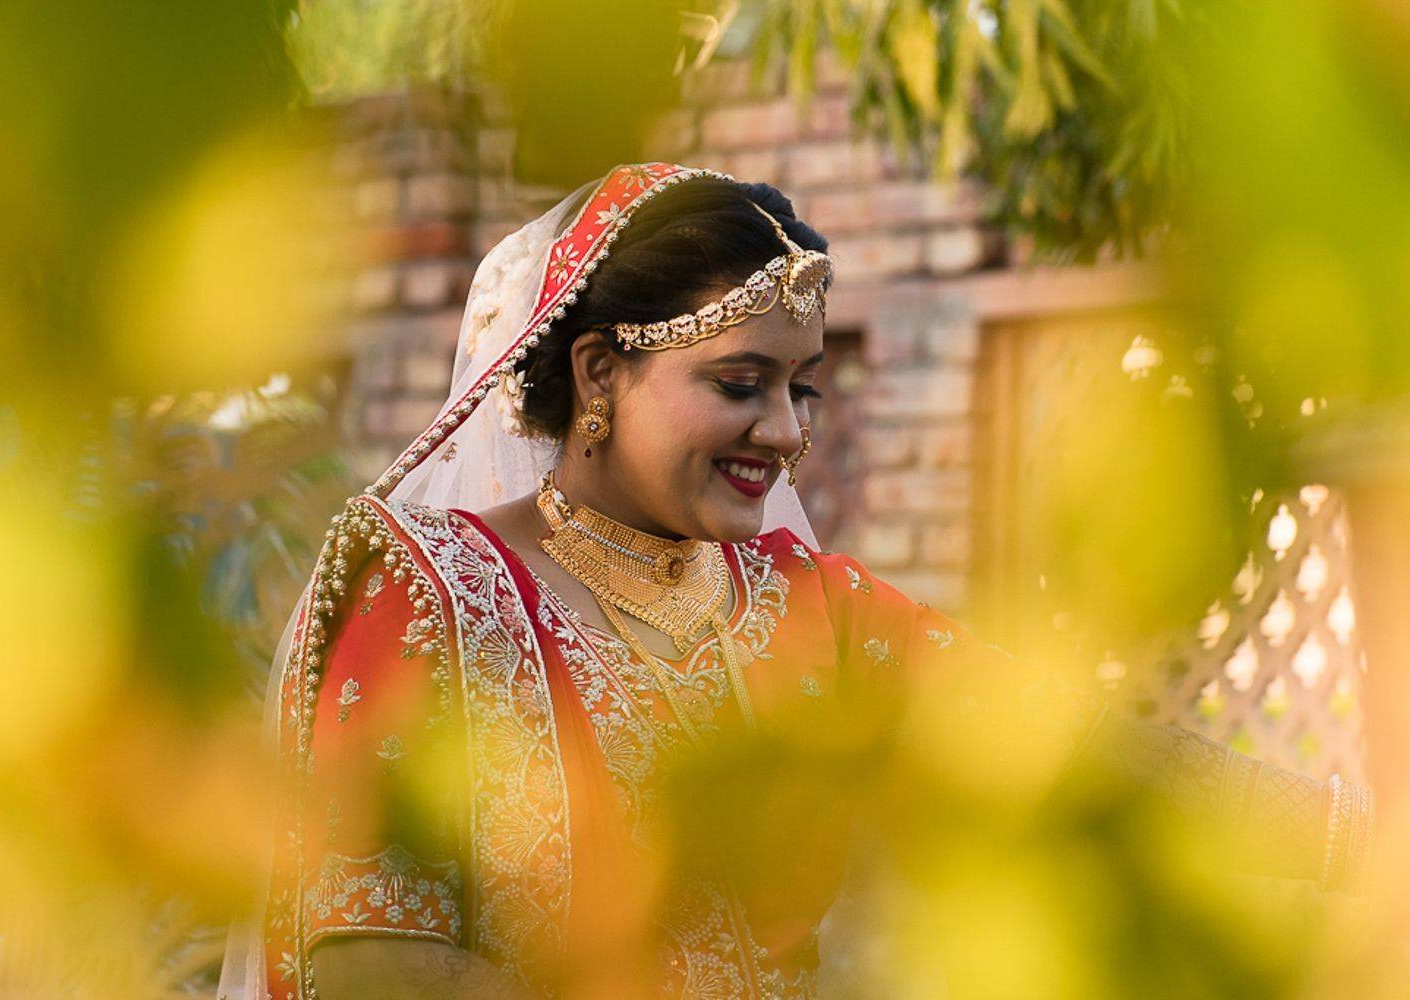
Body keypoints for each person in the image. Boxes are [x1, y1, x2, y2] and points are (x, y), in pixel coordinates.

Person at [218, 162, 1376, 1000]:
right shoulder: (428, 590)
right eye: (740, 383)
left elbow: (1063, 746)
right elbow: (368, 958)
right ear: (598, 372)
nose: (784, 430)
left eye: (801, 386)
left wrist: (1352, 845)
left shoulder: (808, 607)